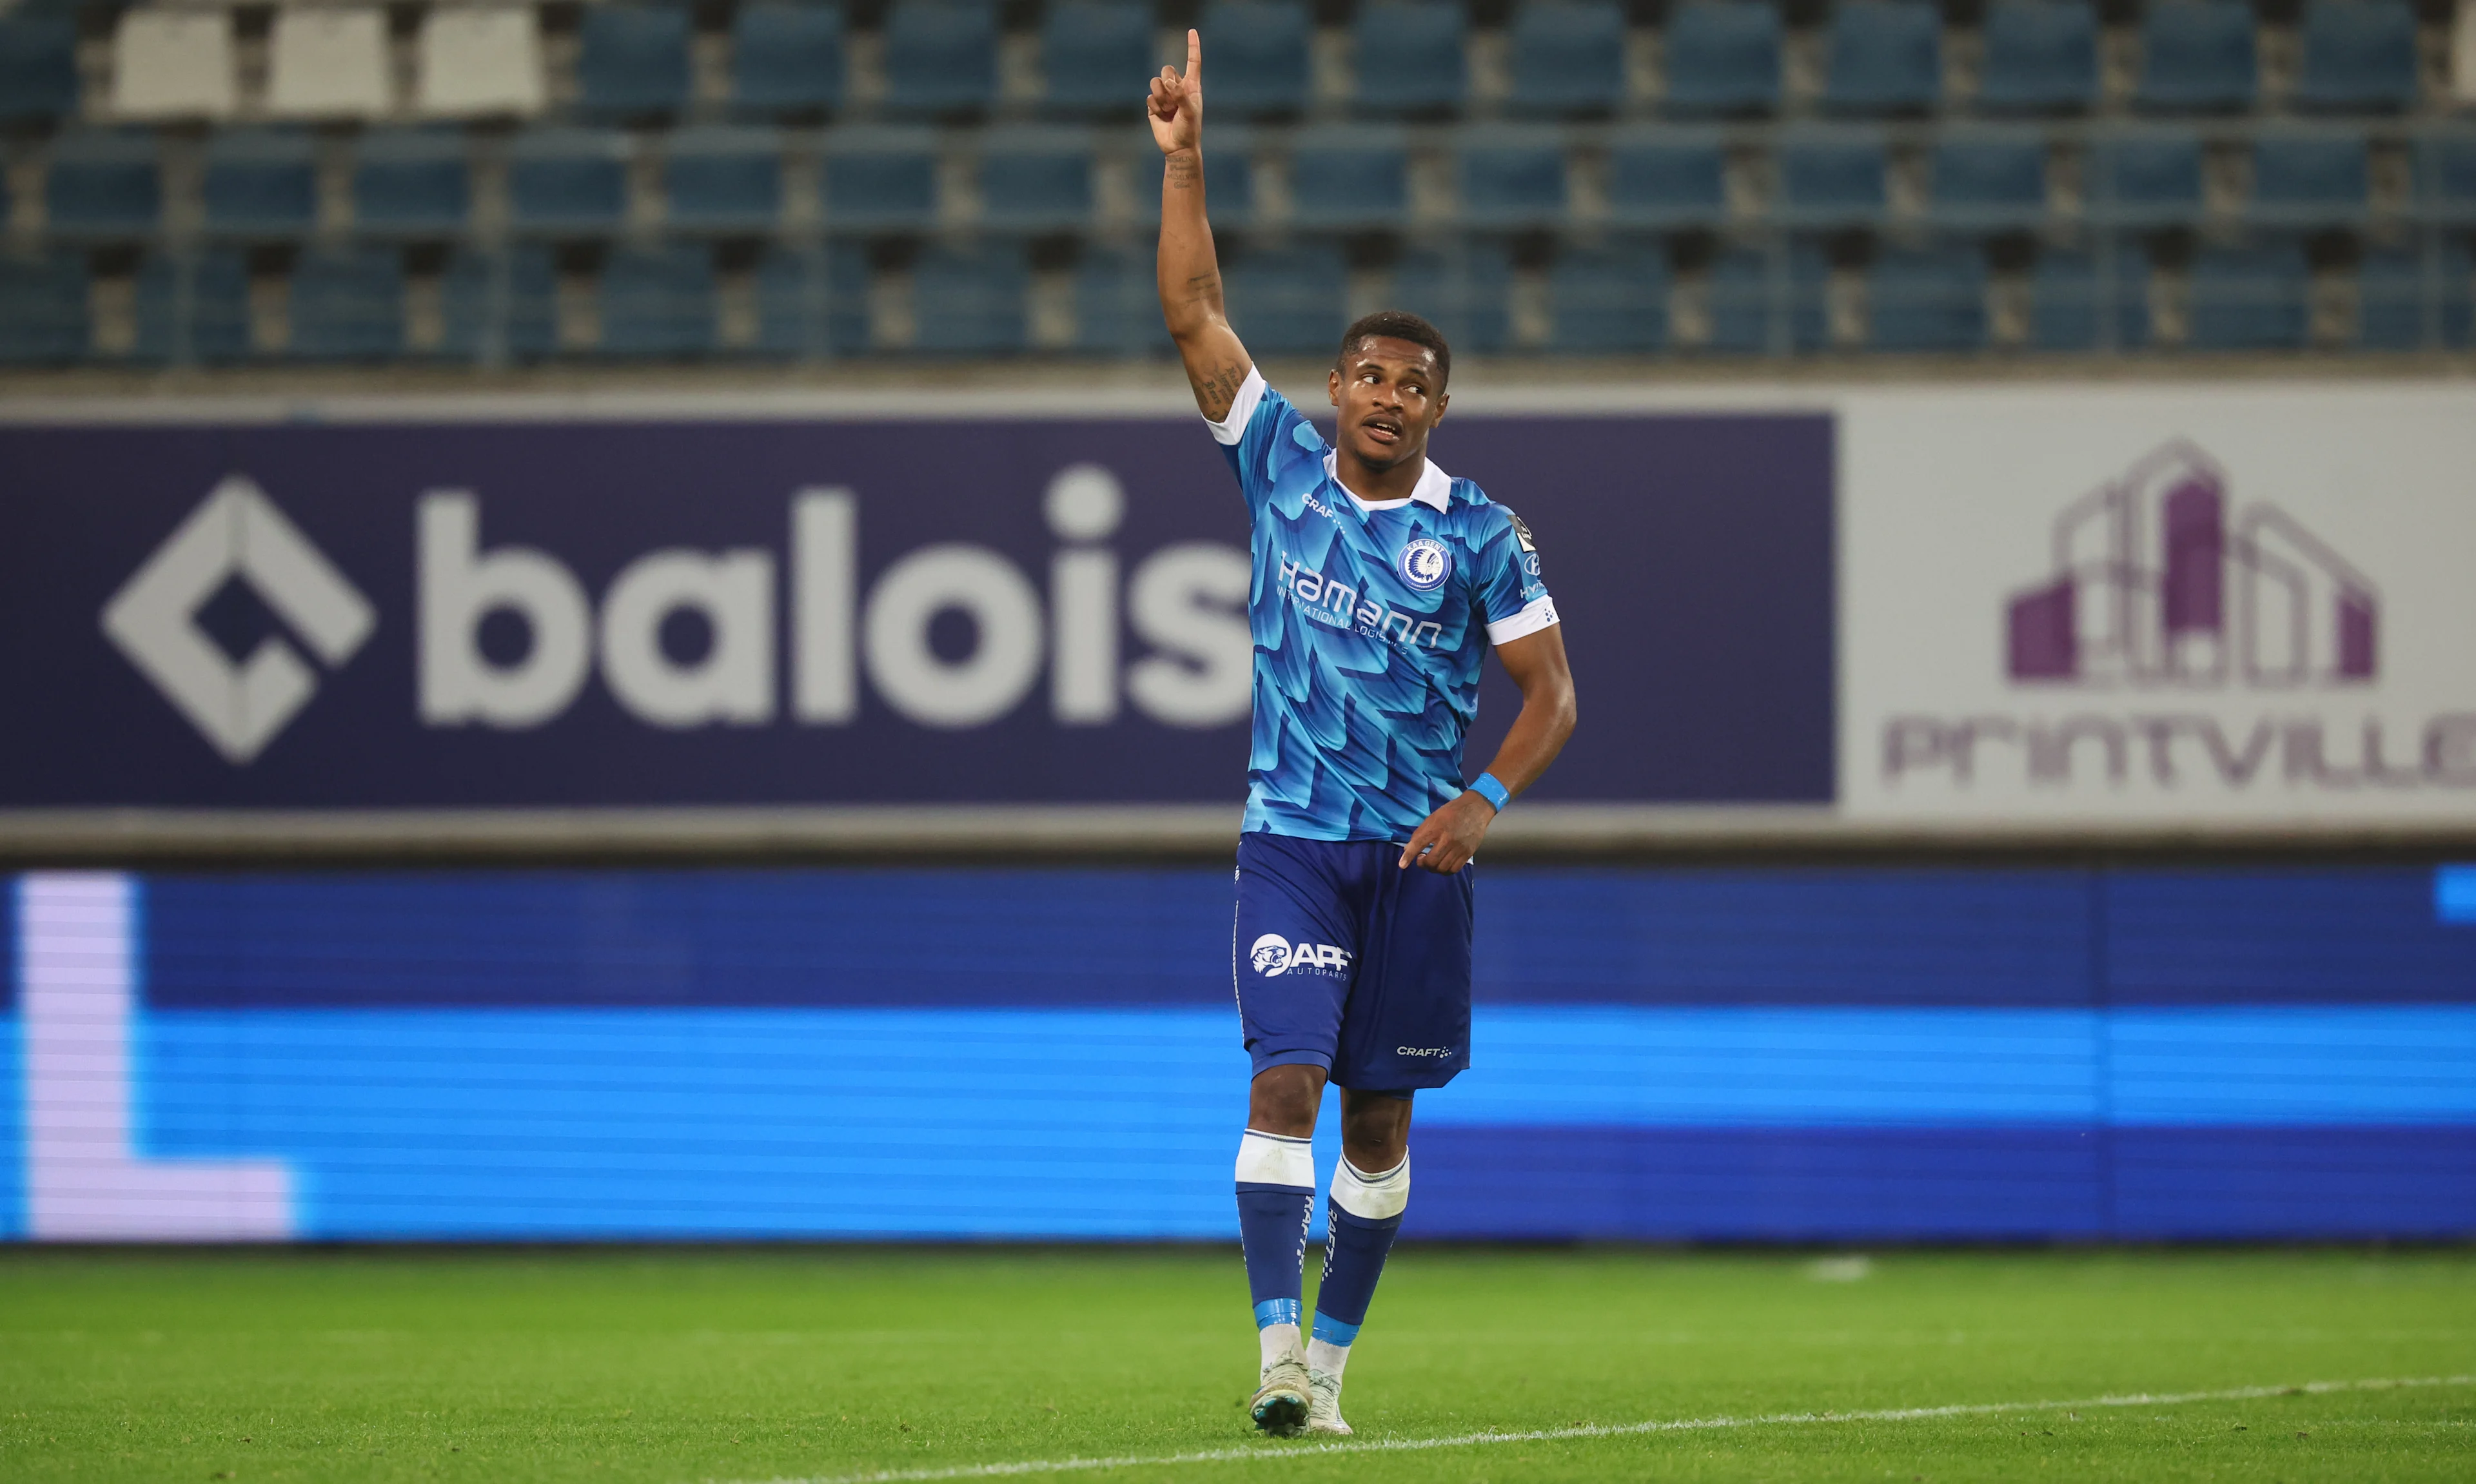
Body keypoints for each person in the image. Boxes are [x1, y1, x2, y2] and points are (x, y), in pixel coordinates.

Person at [1146, 32, 1581, 1440]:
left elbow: (1554, 696)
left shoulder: (1481, 535)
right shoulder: (1273, 460)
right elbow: (1197, 306)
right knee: (1283, 1075)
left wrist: (1485, 804)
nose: (1384, 393)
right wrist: (1187, 160)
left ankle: (1332, 1370)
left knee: (1381, 1130)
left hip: (1418, 857)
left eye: (1412, 381)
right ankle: (1276, 1349)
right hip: (1291, 840)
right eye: (1366, 374)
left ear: (1439, 406)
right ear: (1336, 389)